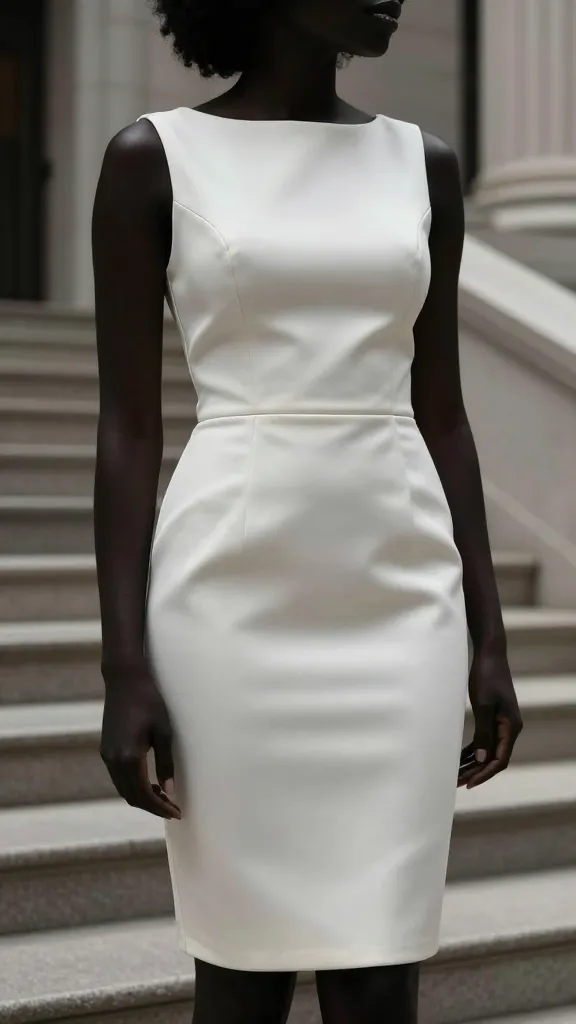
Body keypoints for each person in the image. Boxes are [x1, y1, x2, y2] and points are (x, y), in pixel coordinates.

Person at [93, 1, 523, 1021]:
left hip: (399, 595)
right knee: (239, 978)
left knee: (381, 977)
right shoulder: (153, 157)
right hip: (230, 602)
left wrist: (490, 635)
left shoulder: (426, 165)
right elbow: (126, 432)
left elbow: (446, 415)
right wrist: (121, 665)